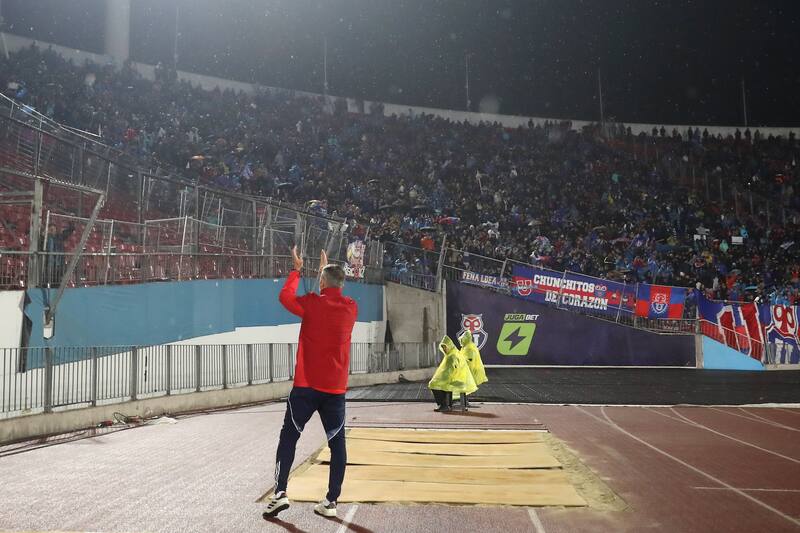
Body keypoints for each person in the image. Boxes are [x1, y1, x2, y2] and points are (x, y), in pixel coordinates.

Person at [263, 246, 358, 521]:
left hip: (305, 386)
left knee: (289, 437)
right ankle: (331, 500)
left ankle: (280, 493)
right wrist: (322, 274)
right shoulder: (351, 308)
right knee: (337, 444)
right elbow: (329, 292)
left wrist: (296, 270)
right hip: (335, 390)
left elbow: (285, 297)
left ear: (322, 282)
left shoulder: (312, 304)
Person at [428, 335, 477, 412]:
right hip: (454, 378)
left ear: (449, 346)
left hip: (454, 379)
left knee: (433, 384)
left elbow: (451, 371)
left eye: (445, 347)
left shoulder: (452, 356)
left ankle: (444, 405)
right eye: (443, 347)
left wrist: (442, 379)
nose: (444, 349)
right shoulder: (452, 354)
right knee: (437, 384)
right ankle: (446, 404)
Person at [456, 329, 488, 410]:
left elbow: (468, 360)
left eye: (462, 339)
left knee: (463, 388)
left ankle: (464, 405)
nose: (461, 341)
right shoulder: (467, 346)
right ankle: (465, 403)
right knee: (465, 388)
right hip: (467, 370)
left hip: (467, 371)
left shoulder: (469, 348)